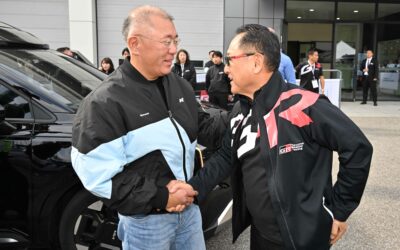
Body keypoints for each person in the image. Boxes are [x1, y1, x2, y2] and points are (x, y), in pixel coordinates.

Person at [172, 24, 373, 250]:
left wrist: (340, 209)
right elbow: (226, 156)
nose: (226, 69)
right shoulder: (240, 110)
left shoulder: (303, 104)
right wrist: (192, 189)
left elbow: (358, 148)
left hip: (303, 237)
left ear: (256, 62)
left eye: (230, 59)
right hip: (261, 235)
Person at [70, 5, 208, 250]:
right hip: (146, 225)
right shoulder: (104, 102)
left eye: (175, 40)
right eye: (166, 42)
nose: (174, 50)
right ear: (134, 44)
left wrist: (243, 119)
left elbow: (201, 123)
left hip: (189, 214)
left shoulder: (179, 86)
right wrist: (162, 197)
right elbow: (96, 175)